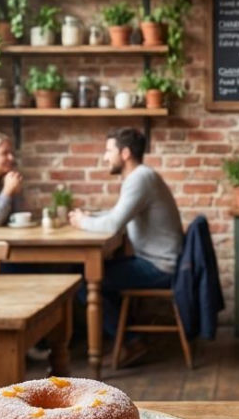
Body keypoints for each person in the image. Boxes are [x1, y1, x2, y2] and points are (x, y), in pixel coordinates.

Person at [68, 127, 183, 360]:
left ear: (125, 153)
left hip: (159, 267)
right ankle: (125, 336)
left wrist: (82, 222)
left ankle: (131, 342)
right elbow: (117, 214)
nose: (105, 157)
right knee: (99, 272)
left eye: (109, 150)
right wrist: (93, 216)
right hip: (158, 260)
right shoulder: (142, 176)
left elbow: (113, 225)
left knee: (83, 282)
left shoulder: (139, 179)